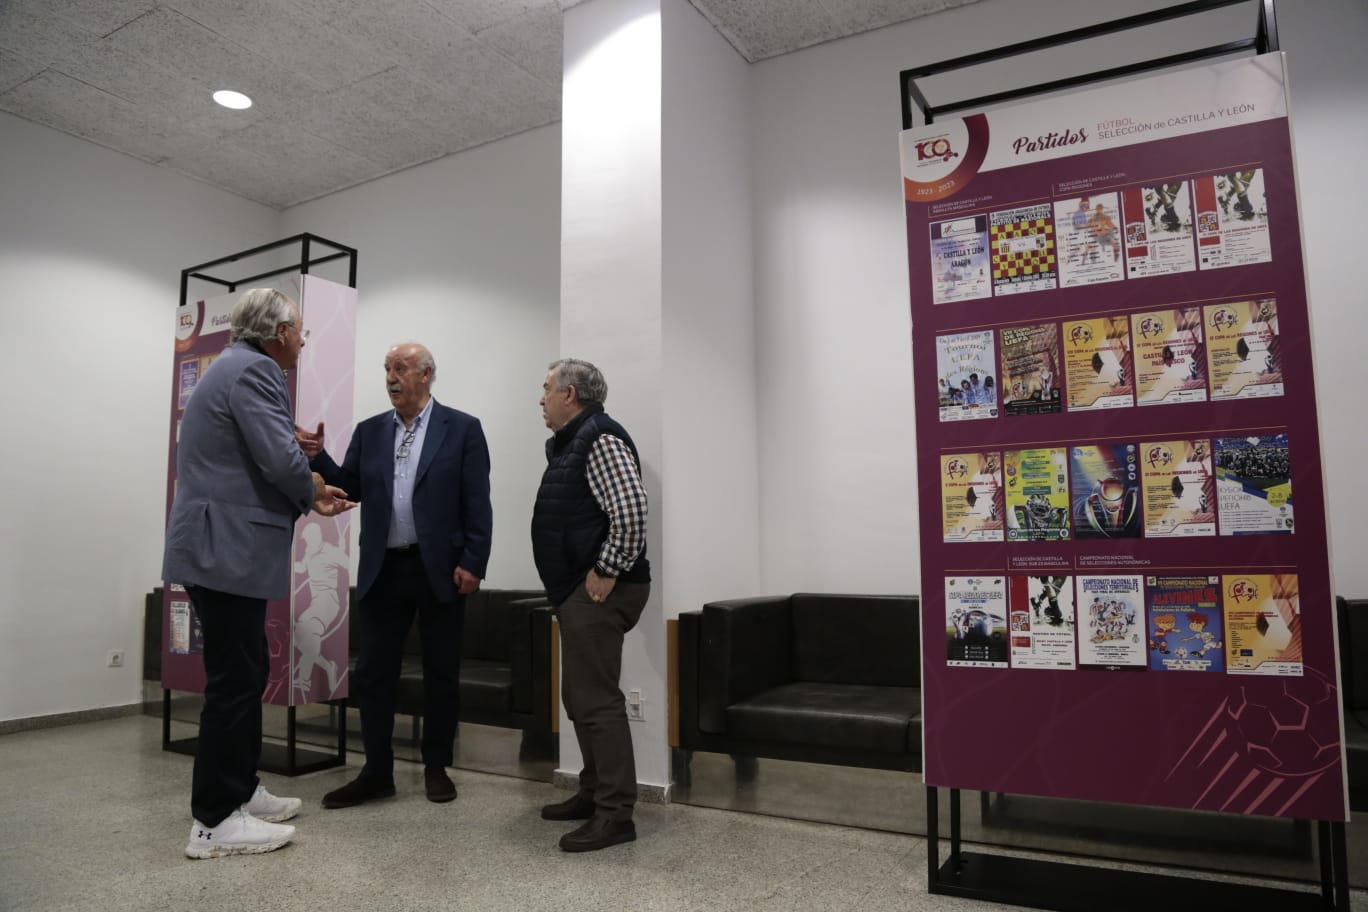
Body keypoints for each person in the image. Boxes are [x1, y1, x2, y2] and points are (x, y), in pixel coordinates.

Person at [163, 288, 355, 859]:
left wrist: (298, 460)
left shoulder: (235, 368)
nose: (303, 340)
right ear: (278, 332)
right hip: (225, 551)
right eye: (300, 330)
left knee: (244, 674)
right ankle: (214, 822)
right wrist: (315, 487)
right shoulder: (257, 372)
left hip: (221, 549)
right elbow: (276, 459)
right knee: (234, 682)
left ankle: (241, 790)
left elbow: (260, 447)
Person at [299, 342, 493, 808]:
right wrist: (319, 458)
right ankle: (377, 772)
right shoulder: (370, 431)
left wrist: (474, 562)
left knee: (440, 672)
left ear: (426, 374)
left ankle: (436, 766)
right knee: (374, 674)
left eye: (401, 368)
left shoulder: (462, 428)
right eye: (387, 368)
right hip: (384, 568)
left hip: (441, 569)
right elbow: (352, 486)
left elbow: (477, 501)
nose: (391, 376)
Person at [531, 358, 651, 853]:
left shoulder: (598, 436)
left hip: (601, 589)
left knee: (597, 703)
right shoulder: (572, 442)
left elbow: (632, 509)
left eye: (546, 389)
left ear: (570, 394)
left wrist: (606, 568)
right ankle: (593, 791)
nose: (541, 399)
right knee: (579, 698)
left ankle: (615, 815)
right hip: (578, 591)